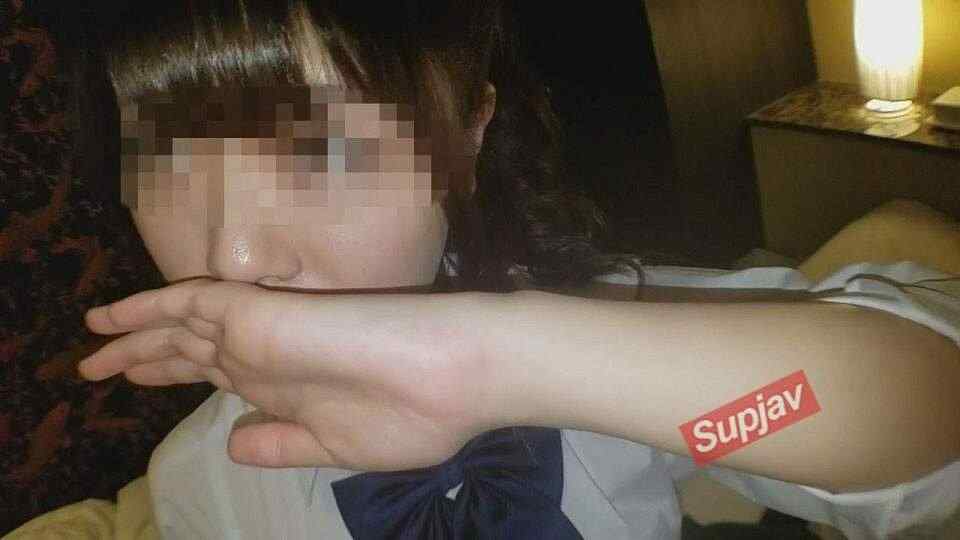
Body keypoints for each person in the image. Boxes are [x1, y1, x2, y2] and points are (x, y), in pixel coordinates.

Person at [12, 1, 960, 538]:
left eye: (320, 154)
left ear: (470, 133)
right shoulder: (199, 487)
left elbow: (921, 421)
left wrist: (497, 364)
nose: (232, 257)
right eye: (165, 165)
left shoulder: (606, 351)